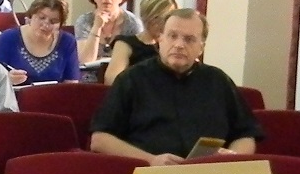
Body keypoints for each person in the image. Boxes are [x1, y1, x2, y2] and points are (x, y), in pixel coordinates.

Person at [90, 9, 261, 164]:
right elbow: (100, 140)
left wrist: (232, 157)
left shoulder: (218, 81)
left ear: (201, 47)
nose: (179, 45)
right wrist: (150, 160)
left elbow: (245, 135)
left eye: (189, 39)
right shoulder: (131, 80)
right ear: (160, 40)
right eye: (173, 36)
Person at [0, 0, 82, 86]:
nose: (45, 25)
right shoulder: (8, 38)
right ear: (31, 16)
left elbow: (71, 84)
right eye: (41, 18)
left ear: (61, 24)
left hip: (54, 98)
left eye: (53, 21)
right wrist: (7, 79)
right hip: (15, 98)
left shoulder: (67, 42)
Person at [104, 0, 180, 85]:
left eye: (167, 19)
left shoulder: (174, 45)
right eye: (157, 18)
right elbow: (112, 79)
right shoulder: (125, 44)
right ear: (146, 17)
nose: (162, 24)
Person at [75, 0, 133, 65]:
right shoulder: (84, 21)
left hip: (122, 75)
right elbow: (85, 61)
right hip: (90, 76)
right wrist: (97, 26)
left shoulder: (132, 23)